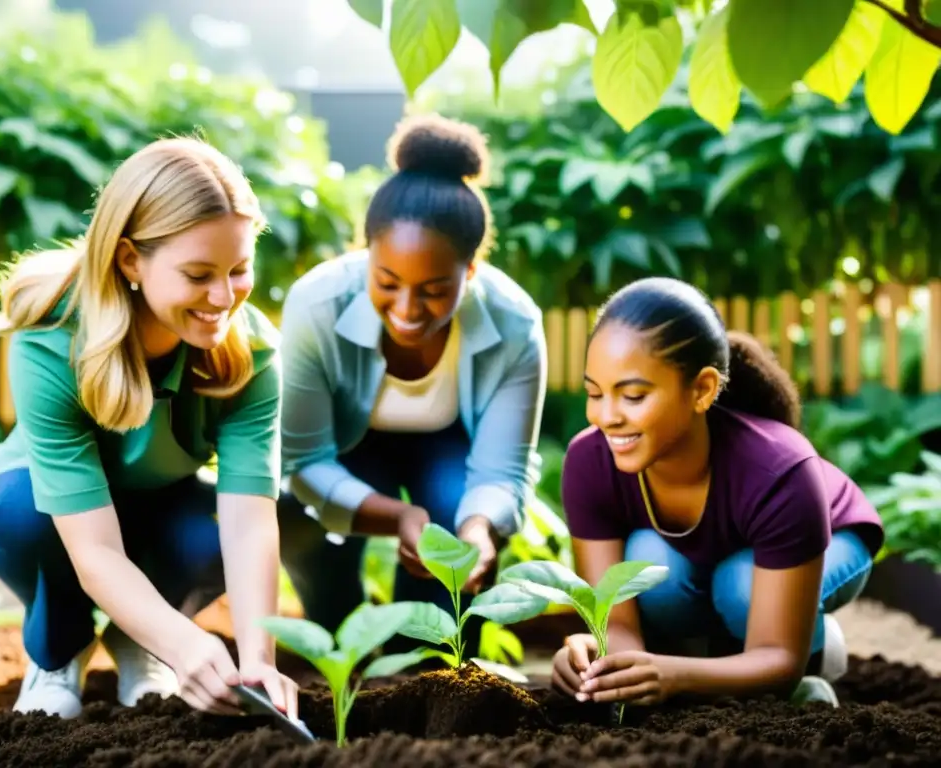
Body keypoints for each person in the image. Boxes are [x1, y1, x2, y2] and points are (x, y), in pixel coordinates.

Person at [0, 138, 299, 720]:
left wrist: (257, 660)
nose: (224, 298)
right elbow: (92, 546)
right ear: (129, 261)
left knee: (230, 525)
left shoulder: (250, 354)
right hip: (51, 512)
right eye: (199, 274)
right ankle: (57, 649)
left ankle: (139, 639)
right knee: (17, 512)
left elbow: (249, 523)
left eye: (239, 269)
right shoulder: (51, 342)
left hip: (160, 506)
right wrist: (185, 645)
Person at [275, 113, 547, 655]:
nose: (406, 309)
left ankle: (428, 666)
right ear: (366, 252)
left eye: (433, 289)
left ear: (469, 272)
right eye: (388, 282)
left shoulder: (515, 323)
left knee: (452, 539)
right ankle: (339, 646)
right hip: (348, 448)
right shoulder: (316, 304)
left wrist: (476, 532)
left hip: (450, 448)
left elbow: (502, 471)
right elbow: (302, 460)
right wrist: (398, 516)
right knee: (301, 525)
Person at [551, 277, 884, 707]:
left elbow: (777, 658)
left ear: (702, 390)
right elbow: (617, 627)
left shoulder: (782, 470)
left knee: (738, 586)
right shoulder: (588, 462)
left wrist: (676, 676)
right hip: (698, 550)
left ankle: (816, 646)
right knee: (647, 563)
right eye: (594, 393)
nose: (606, 416)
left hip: (831, 538)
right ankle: (722, 659)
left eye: (632, 395)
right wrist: (594, 656)